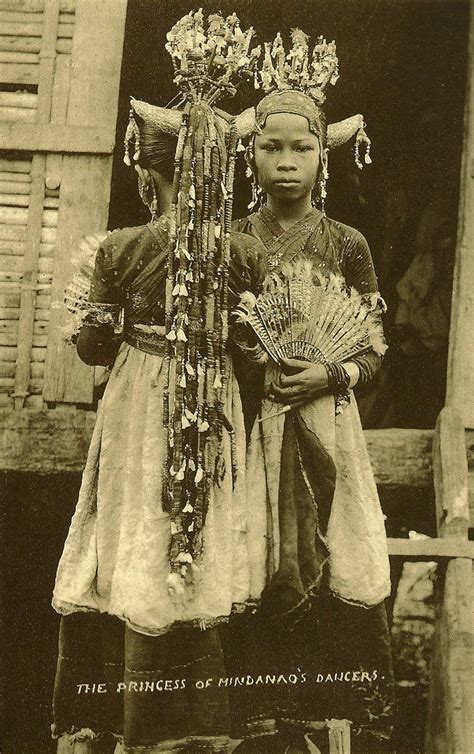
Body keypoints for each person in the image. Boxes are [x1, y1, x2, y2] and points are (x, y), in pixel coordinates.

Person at [51, 12, 266, 754]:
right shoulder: (244, 256)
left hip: (140, 403)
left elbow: (87, 349)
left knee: (137, 540)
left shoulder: (119, 247)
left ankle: (125, 728)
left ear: (149, 172)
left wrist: (105, 328)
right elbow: (255, 355)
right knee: (198, 549)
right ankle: (197, 731)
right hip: (213, 408)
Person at [221, 31, 395, 754]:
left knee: (332, 546)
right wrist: (259, 361)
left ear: (325, 156)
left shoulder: (347, 242)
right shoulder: (233, 240)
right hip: (255, 421)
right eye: (271, 147)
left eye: (302, 148)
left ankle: (332, 714)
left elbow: (375, 345)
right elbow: (218, 334)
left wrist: (330, 372)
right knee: (256, 552)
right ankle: (255, 712)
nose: (285, 162)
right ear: (250, 153)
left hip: (328, 418)